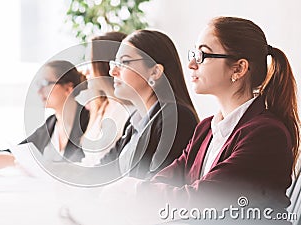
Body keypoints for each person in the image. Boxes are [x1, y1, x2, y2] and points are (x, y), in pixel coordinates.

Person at [104, 16, 299, 225]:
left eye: (202, 54)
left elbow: (204, 201)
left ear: (239, 69)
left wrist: (133, 189)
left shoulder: (266, 134)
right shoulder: (206, 128)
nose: (191, 64)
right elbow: (166, 180)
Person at [99, 29, 199, 180]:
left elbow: (157, 188)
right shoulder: (135, 120)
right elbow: (103, 170)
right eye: (115, 63)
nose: (113, 71)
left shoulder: (176, 118)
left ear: (155, 72)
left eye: (124, 62)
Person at [0, 60, 90, 168]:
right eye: (39, 84)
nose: (39, 91)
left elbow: (81, 168)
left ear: (68, 88)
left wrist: (15, 162)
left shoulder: (90, 120)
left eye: (45, 83)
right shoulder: (51, 123)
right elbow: (21, 150)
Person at [76, 31, 134, 167]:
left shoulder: (128, 112)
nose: (85, 70)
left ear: (104, 65)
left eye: (89, 62)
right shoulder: (102, 107)